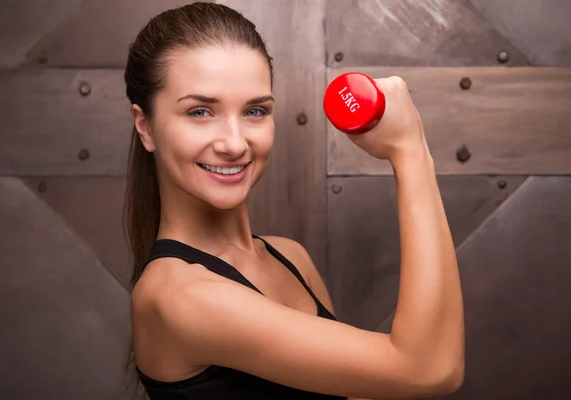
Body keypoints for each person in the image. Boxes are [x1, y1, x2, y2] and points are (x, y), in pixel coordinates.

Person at [122, 2, 465, 399]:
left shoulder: (291, 257)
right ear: (145, 126)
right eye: (200, 112)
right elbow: (431, 369)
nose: (235, 143)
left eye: (254, 110)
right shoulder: (178, 297)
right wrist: (409, 149)